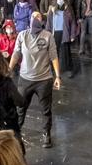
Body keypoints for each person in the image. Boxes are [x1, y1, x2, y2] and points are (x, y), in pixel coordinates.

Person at [10, 11, 62, 148]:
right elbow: (16, 54)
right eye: (33, 16)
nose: (35, 18)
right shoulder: (22, 35)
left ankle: (46, 134)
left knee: (46, 109)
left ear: (42, 20)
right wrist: (8, 70)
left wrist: (57, 76)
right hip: (25, 79)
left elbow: (54, 56)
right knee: (20, 108)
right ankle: (16, 133)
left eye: (38, 16)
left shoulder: (48, 36)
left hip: (43, 79)